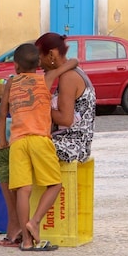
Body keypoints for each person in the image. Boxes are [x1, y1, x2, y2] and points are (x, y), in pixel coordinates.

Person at [0, 47, 79, 248]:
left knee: (24, 189)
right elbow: (73, 61)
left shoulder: (11, 83)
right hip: (40, 139)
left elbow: (2, 115)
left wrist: (2, 141)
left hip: (18, 142)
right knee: (55, 184)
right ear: (38, 64)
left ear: (16, 66)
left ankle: (27, 242)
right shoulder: (46, 79)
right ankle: (35, 221)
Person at [37, 32, 96, 162]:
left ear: (51, 54)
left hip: (72, 146)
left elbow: (65, 119)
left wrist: (39, 107)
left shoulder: (68, 77)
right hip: (72, 142)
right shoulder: (71, 71)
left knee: (25, 148)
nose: (39, 64)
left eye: (40, 58)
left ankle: (53, 184)